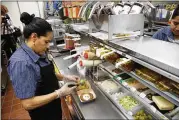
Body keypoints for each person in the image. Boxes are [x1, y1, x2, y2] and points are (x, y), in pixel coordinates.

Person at [7, 12, 80, 120]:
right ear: (34, 37)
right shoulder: (21, 63)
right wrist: (59, 93)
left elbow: (43, 75)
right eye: (46, 42)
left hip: (53, 106)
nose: (47, 46)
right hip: (42, 113)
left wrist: (64, 77)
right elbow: (27, 103)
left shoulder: (36, 51)